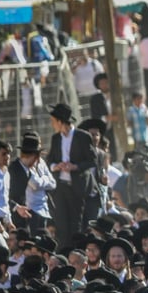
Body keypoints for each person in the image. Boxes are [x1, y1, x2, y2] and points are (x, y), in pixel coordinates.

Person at [46, 103, 97, 248]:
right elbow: (50, 159)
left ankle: (76, 253)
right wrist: (55, 166)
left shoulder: (83, 137)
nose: (52, 124)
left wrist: (75, 167)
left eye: (53, 121)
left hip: (77, 187)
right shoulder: (56, 138)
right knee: (61, 224)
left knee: (76, 224)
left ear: (61, 121)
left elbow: (92, 160)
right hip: (60, 187)